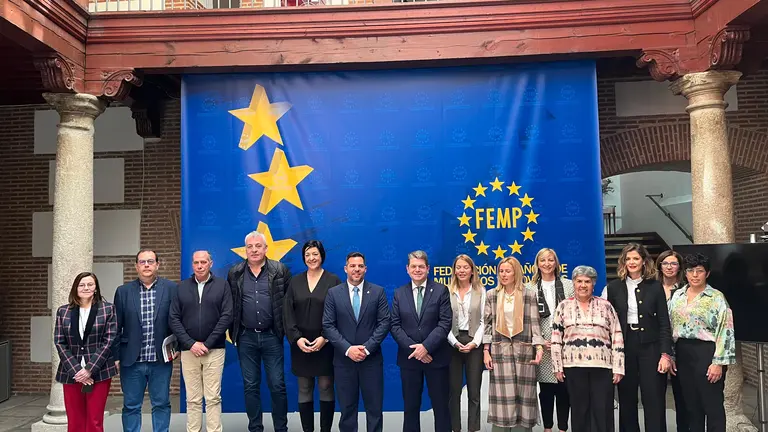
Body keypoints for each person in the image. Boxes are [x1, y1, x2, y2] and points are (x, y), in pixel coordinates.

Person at [602, 242, 671, 432]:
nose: (632, 262)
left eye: (636, 258)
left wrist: (665, 354)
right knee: (626, 397)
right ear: (623, 262)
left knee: (653, 397)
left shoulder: (655, 287)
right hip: (625, 346)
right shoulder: (614, 288)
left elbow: (664, 323)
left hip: (651, 346)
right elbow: (608, 323)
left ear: (644, 261)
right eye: (628, 259)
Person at [228, 231, 292, 432]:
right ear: (245, 250)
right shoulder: (235, 273)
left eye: (258, 246)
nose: (254, 250)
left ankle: (281, 428)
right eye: (250, 246)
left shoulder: (280, 270)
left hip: (272, 336)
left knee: (277, 385)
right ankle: (255, 428)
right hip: (246, 337)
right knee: (250, 386)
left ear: (266, 248)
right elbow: (231, 305)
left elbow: (289, 305)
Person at [322, 252, 391, 432]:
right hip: (344, 362)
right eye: (352, 266)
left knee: (374, 410)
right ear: (346, 268)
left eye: (360, 266)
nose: (356, 269)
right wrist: (348, 349)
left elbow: (384, 323)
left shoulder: (378, 292)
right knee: (347, 410)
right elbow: (328, 325)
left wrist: (367, 349)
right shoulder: (333, 293)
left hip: (371, 361)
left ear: (365, 269)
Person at [551, 266, 624, 432]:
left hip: (603, 367)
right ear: (574, 283)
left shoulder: (606, 306)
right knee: (579, 410)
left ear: (593, 284)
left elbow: (617, 336)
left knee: (602, 410)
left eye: (587, 281)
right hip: (573, 366)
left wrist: (619, 367)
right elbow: (556, 339)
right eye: (579, 281)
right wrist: (557, 366)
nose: (583, 285)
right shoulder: (563, 306)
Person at [668, 253, 735, 432]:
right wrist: (671, 355)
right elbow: (669, 326)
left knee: (712, 406)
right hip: (683, 353)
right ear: (685, 273)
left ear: (707, 273)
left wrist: (718, 363)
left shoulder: (716, 297)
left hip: (707, 353)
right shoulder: (678, 296)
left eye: (700, 271)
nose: (695, 275)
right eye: (691, 271)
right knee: (691, 407)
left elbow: (725, 330)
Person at [114, 250, 179, 432]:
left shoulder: (172, 288)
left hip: (160, 360)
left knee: (161, 404)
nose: (146, 265)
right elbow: (116, 327)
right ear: (136, 266)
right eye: (142, 262)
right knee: (131, 406)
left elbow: (178, 321)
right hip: (132, 360)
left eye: (150, 261)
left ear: (158, 264)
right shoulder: (123, 292)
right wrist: (116, 356)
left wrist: (177, 347)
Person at [169, 250, 233, 432]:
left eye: (203, 262)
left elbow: (227, 316)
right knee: (193, 399)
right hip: (189, 352)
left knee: (213, 398)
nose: (199, 265)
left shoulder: (222, 286)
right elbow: (174, 318)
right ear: (192, 264)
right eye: (196, 262)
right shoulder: (181, 287)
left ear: (211, 263)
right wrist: (190, 344)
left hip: (215, 350)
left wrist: (207, 343)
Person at [283, 240, 342, 432]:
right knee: (304, 387)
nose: (311, 258)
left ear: (322, 255)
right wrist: (297, 338)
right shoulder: (295, 281)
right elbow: (287, 314)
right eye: (307, 255)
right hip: (301, 344)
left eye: (315, 254)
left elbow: (339, 313)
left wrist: (325, 337)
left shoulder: (333, 280)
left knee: (326, 386)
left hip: (326, 343)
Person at [391, 250, 452, 432]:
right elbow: (394, 325)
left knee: (441, 407)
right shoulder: (399, 293)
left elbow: (445, 323)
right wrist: (416, 351)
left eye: (421, 266)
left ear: (428, 269)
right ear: (407, 269)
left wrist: (425, 347)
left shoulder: (441, 290)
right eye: (413, 266)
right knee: (410, 407)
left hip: (436, 358)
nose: (417, 270)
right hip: (409, 360)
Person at [482, 256, 544, 432]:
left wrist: (538, 347)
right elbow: (487, 324)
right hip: (500, 352)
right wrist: (486, 351)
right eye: (501, 271)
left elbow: (534, 323)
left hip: (523, 351)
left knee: (523, 398)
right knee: (503, 398)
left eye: (507, 271)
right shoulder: (492, 295)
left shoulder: (528, 294)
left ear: (516, 272)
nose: (503, 274)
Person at [55, 272, 118, 432]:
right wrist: (77, 371)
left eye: (90, 284)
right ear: (76, 288)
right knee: (75, 421)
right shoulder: (63, 311)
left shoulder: (108, 309)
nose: (86, 288)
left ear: (96, 288)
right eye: (82, 285)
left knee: (95, 421)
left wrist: (89, 369)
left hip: (99, 372)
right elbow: (60, 342)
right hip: (71, 373)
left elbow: (108, 341)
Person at [525, 248, 574, 432]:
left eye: (550, 260)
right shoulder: (529, 288)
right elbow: (526, 319)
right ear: (537, 264)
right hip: (542, 345)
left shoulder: (568, 285)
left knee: (564, 389)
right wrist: (538, 341)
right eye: (543, 260)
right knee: (546, 390)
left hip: (566, 345)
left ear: (556, 263)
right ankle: (547, 428)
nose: (547, 264)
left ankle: (562, 428)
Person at [447, 254, 486, 432]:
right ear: (454, 270)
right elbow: (443, 321)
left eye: (465, 267)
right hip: (452, 343)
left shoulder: (481, 291)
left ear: (472, 270)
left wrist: (475, 343)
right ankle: (455, 428)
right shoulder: (446, 291)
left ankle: (473, 428)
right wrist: (454, 342)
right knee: (454, 392)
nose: (462, 270)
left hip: (474, 343)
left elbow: (485, 321)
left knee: (474, 392)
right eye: (459, 267)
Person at [656, 249, 688, 432]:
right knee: (656, 394)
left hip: (681, 347)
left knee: (682, 395)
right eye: (665, 263)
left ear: (679, 266)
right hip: (659, 346)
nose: (669, 267)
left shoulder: (686, 289)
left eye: (673, 263)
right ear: (660, 265)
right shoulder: (652, 286)